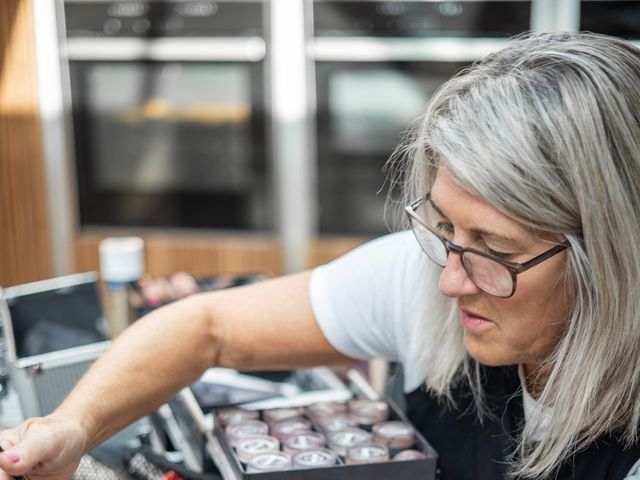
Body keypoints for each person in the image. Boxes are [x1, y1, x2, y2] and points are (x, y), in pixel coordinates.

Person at [2, 31, 640, 479]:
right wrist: (73, 428)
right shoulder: (419, 279)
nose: (450, 280)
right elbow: (206, 326)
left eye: (495, 250)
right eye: (445, 228)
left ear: (610, 255)